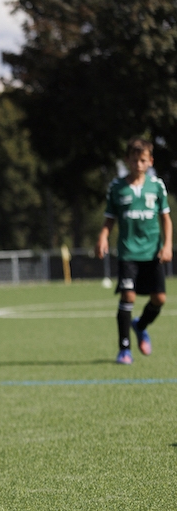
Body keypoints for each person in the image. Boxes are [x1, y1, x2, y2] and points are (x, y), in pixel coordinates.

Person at [96, 137, 173, 365]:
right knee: (128, 295)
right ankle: (124, 350)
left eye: (143, 160)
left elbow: (166, 219)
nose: (138, 164)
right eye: (134, 160)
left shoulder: (156, 186)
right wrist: (103, 236)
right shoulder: (117, 187)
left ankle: (140, 325)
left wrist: (167, 244)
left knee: (159, 299)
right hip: (128, 252)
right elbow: (109, 218)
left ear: (150, 161)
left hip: (152, 252)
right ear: (127, 160)